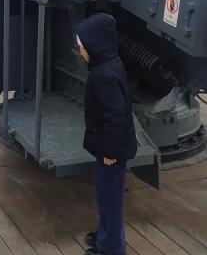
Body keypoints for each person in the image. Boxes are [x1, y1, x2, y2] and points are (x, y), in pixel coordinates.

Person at [77, 13, 137, 255]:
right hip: (109, 147)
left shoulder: (103, 76)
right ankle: (106, 234)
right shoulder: (109, 64)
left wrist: (110, 151)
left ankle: (111, 247)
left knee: (110, 199)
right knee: (106, 196)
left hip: (111, 151)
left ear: (94, 44)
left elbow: (115, 115)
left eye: (82, 45)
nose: (79, 50)